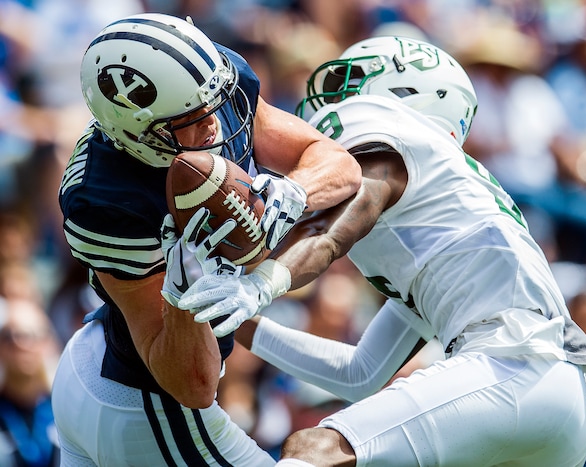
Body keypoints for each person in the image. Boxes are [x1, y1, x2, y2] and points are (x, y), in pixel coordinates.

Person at [179, 35, 586, 466]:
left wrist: (260, 284)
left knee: (317, 445)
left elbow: (333, 234)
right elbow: (358, 375)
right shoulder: (439, 217)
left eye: (352, 83)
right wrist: (233, 316)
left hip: (511, 365)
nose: (331, 103)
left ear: (404, 94)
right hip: (558, 403)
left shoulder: (386, 132)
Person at [51, 13, 361, 467]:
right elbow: (190, 385)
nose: (214, 123)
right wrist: (183, 292)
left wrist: (290, 194)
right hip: (142, 398)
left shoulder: (206, 82)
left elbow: (337, 164)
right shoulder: (102, 201)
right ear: (138, 132)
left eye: (212, 105)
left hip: (97, 359)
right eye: (190, 120)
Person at [0, 297, 61, 467]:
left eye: (31, 335)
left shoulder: (65, 409)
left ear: (48, 342)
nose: (22, 344)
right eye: (10, 336)